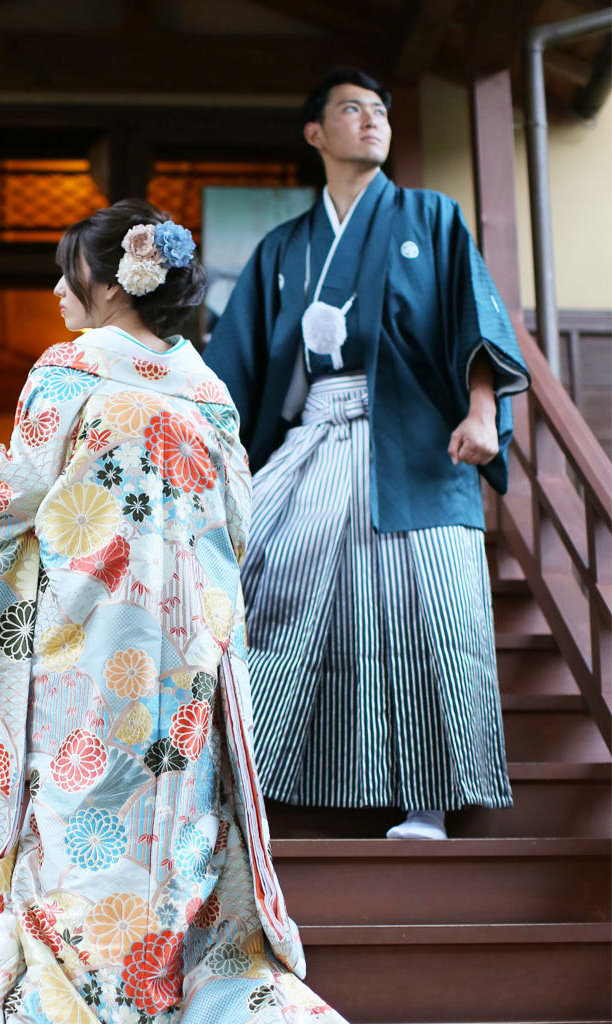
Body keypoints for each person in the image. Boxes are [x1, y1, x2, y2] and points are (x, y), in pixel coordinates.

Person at [0, 200, 345, 1023]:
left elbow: (8, 492)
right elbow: (239, 518)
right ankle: (173, 972)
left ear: (112, 285)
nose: (56, 289)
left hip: (92, 641)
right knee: (178, 812)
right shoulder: (210, 392)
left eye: (67, 272)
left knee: (87, 797)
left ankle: (93, 982)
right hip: (194, 646)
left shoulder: (71, 370)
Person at [203, 69, 530, 841]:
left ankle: (428, 806)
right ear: (315, 134)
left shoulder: (432, 217)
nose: (372, 121)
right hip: (314, 437)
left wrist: (482, 411)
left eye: (380, 110)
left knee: (435, 614)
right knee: (256, 586)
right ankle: (248, 782)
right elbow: (234, 368)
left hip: (419, 449)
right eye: (352, 110)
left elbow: (472, 323)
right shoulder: (285, 247)